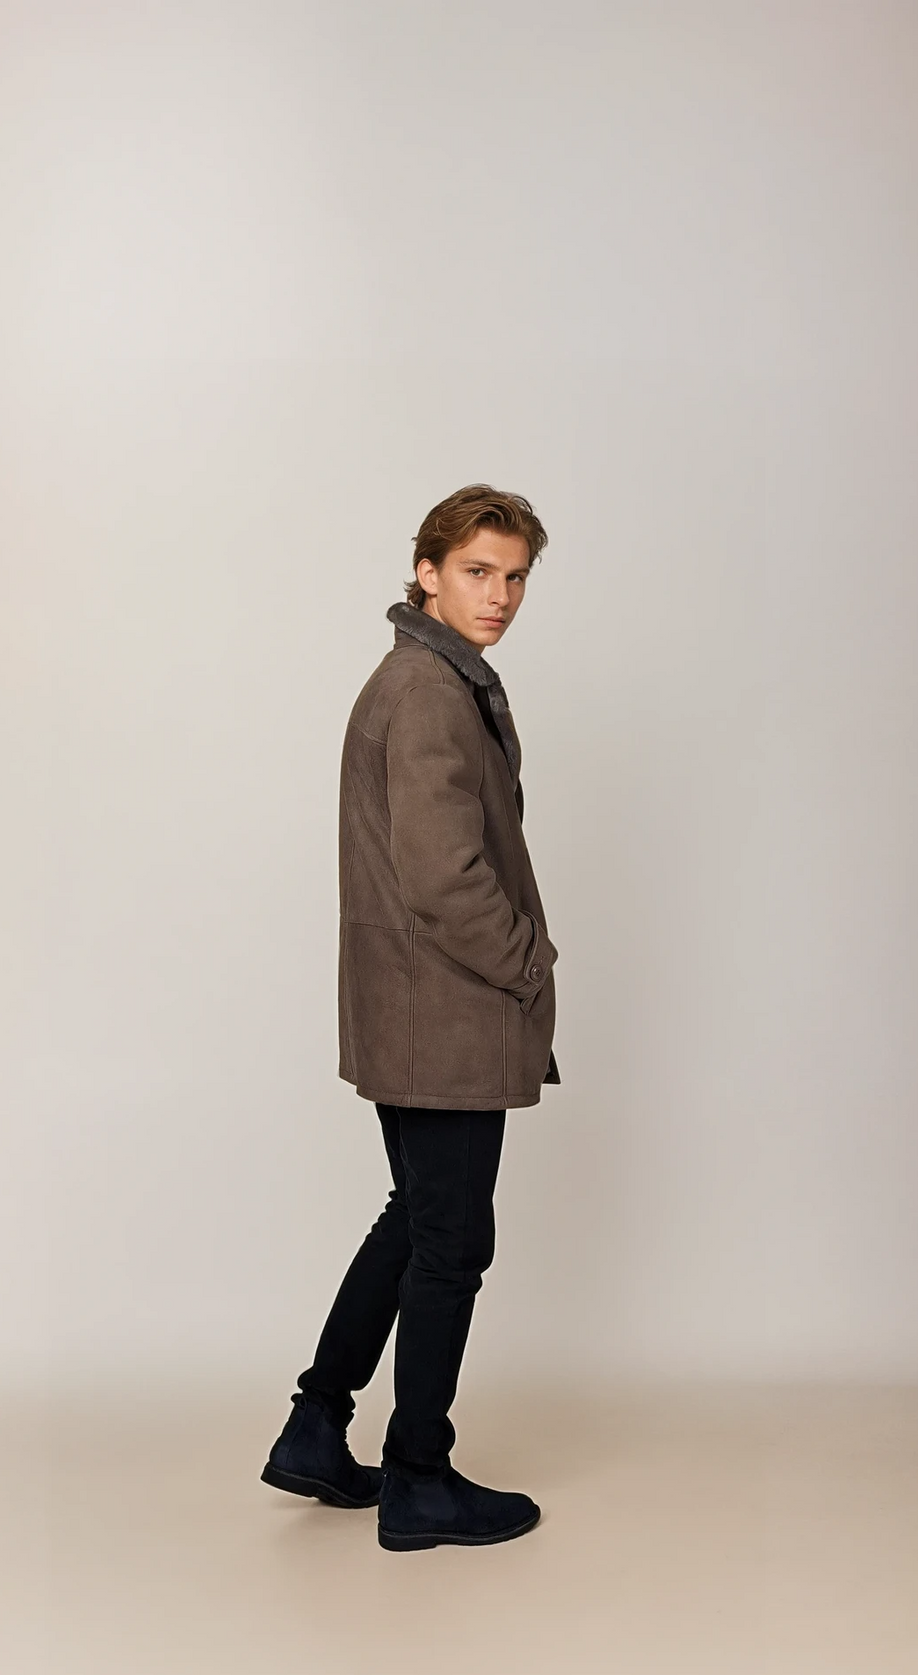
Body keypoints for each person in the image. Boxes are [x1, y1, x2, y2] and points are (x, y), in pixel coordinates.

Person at [261, 484, 559, 1552]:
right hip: (447, 1013)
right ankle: (419, 1479)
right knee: (452, 1243)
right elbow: (443, 879)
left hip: (419, 1008)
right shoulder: (429, 691)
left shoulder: (425, 678)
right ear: (427, 572)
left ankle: (316, 1425)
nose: (500, 595)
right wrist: (528, 964)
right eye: (478, 571)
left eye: (515, 576)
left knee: (419, 1220)